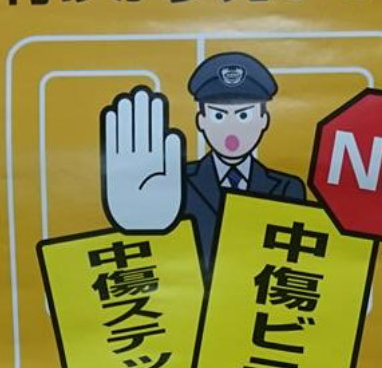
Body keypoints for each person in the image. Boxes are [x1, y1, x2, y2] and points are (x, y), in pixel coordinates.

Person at [101, 51, 305, 274]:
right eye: (219, 116)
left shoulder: (287, 188)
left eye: (243, 115)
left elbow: (294, 261)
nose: (231, 128)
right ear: (201, 120)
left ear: (264, 119)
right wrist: (140, 226)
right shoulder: (174, 182)